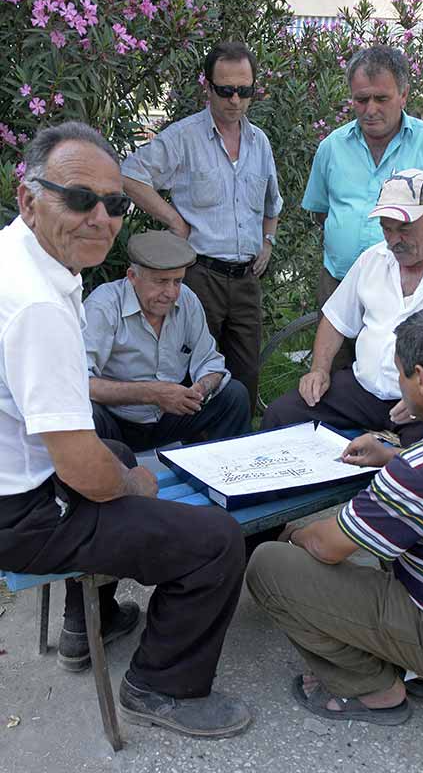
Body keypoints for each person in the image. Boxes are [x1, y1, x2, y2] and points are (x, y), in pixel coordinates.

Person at [0, 121, 251, 738]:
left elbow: (207, 364)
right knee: (215, 540)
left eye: (113, 204)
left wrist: (121, 463)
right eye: (79, 198)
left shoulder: (21, 258)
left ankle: (90, 622)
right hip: (25, 513)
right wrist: (135, 486)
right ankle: (162, 686)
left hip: (24, 477)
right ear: (29, 197)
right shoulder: (38, 302)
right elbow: (84, 469)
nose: (99, 217)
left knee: (119, 447)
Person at [247, 305, 423, 726]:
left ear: (421, 379)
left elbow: (328, 548)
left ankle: (371, 688)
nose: (398, 385)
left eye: (400, 374)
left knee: (268, 566)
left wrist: (293, 535)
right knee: (388, 538)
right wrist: (394, 456)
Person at [261, 169, 423, 448]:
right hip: (363, 388)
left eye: (404, 229)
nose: (393, 240)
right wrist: (319, 369)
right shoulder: (373, 259)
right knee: (281, 415)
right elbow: (335, 320)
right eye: (386, 228)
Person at [122, 41, 283, 411]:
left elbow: (273, 204)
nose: (235, 100)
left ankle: (240, 457)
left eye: (245, 91)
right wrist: (174, 220)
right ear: (207, 87)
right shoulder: (184, 137)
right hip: (198, 275)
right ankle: (193, 453)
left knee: (244, 376)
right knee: (193, 378)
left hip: (245, 281)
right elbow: (129, 175)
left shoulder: (259, 142)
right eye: (225, 90)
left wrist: (268, 240)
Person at [302, 45, 423, 369]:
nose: (370, 109)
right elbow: (322, 211)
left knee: (401, 378)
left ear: (404, 94)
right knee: (334, 375)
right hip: (338, 282)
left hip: (409, 287)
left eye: (381, 98)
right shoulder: (331, 147)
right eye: (361, 99)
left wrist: (420, 259)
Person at [83, 230, 251, 450]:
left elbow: (210, 362)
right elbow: (81, 383)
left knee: (234, 395)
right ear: (132, 277)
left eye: (177, 281)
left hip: (169, 416)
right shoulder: (104, 306)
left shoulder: (187, 299)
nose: (171, 293)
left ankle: (226, 475)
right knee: (84, 413)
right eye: (161, 282)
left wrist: (201, 388)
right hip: (115, 419)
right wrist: (151, 393)